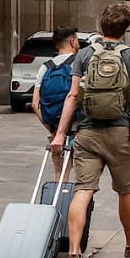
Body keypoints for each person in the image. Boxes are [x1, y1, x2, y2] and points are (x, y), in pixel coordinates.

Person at [51, 3, 130, 258]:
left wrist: (60, 133)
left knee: (83, 191)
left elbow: (73, 96)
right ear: (125, 29)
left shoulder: (84, 55)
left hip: (86, 133)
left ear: (102, 27)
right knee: (126, 190)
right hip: (119, 134)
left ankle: (74, 254)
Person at [33, 25, 81, 179]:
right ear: (72, 42)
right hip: (80, 129)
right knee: (84, 177)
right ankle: (78, 203)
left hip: (55, 131)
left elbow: (35, 103)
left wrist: (53, 129)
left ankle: (59, 201)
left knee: (60, 174)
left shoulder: (45, 68)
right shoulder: (79, 64)